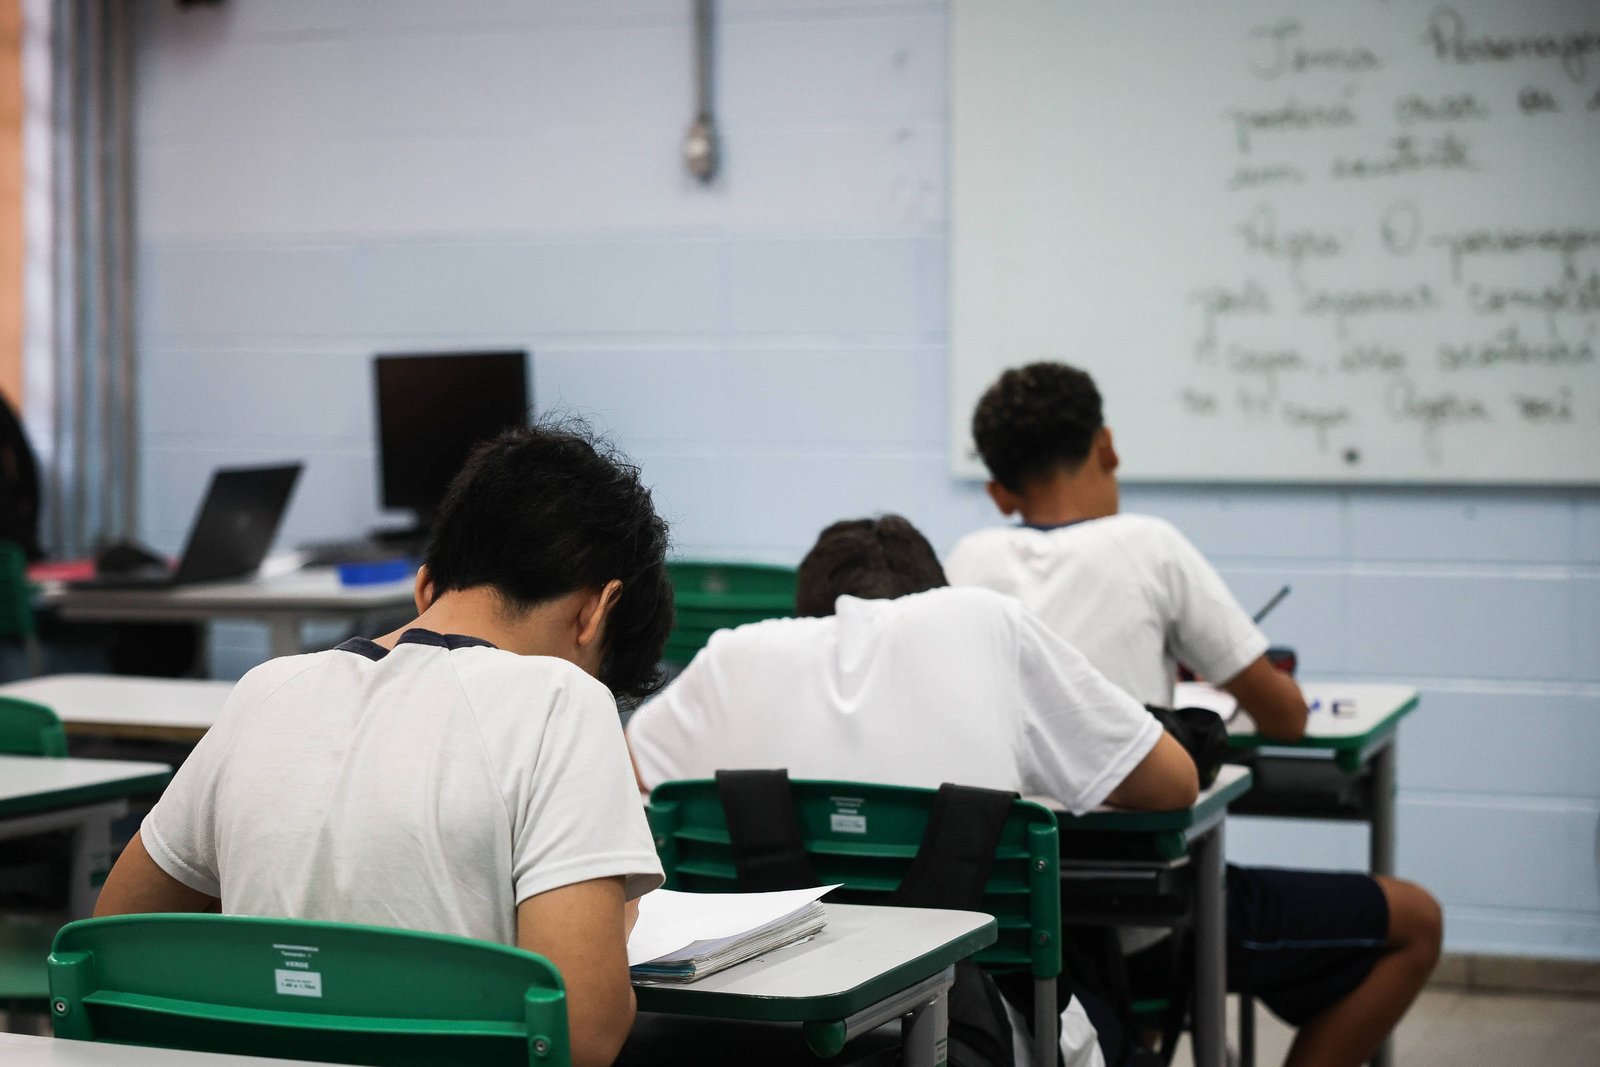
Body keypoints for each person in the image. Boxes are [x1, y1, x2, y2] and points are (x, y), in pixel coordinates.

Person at [94, 423, 675, 1067]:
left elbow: (114, 947)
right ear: (597, 610)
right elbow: (581, 1036)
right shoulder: (564, 700)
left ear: (425, 587)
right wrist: (615, 917)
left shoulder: (266, 690)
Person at [947, 362, 1442, 1067]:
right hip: (1158, 923)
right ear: (1108, 445)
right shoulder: (1150, 546)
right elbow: (1287, 718)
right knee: (1416, 920)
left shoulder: (966, 561)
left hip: (1021, 929)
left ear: (998, 492)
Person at [628, 513, 1200, 1067]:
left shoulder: (733, 655)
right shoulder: (984, 621)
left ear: (807, 613)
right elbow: (1175, 784)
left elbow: (626, 778)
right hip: (957, 1022)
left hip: (755, 1024)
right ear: (933, 595)